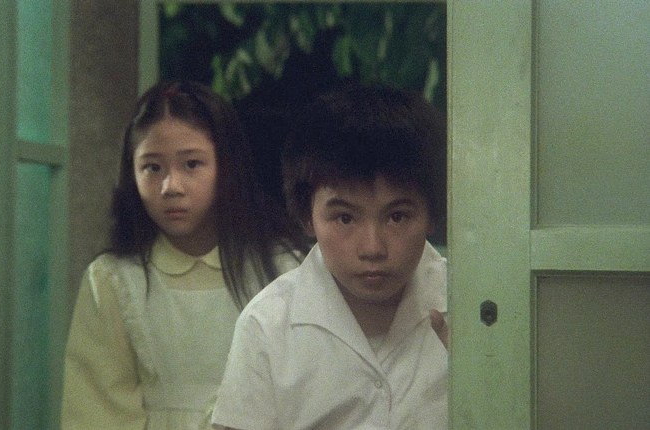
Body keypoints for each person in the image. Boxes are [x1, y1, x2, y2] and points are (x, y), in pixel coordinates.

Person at [61, 81, 306, 430]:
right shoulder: (114, 280)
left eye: (191, 164)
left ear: (226, 167)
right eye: (152, 168)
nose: (171, 186)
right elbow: (95, 414)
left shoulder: (282, 269)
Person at [211, 82, 449, 429]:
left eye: (397, 217)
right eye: (345, 218)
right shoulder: (268, 323)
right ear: (307, 217)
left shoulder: (474, 309)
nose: (373, 248)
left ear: (432, 215)